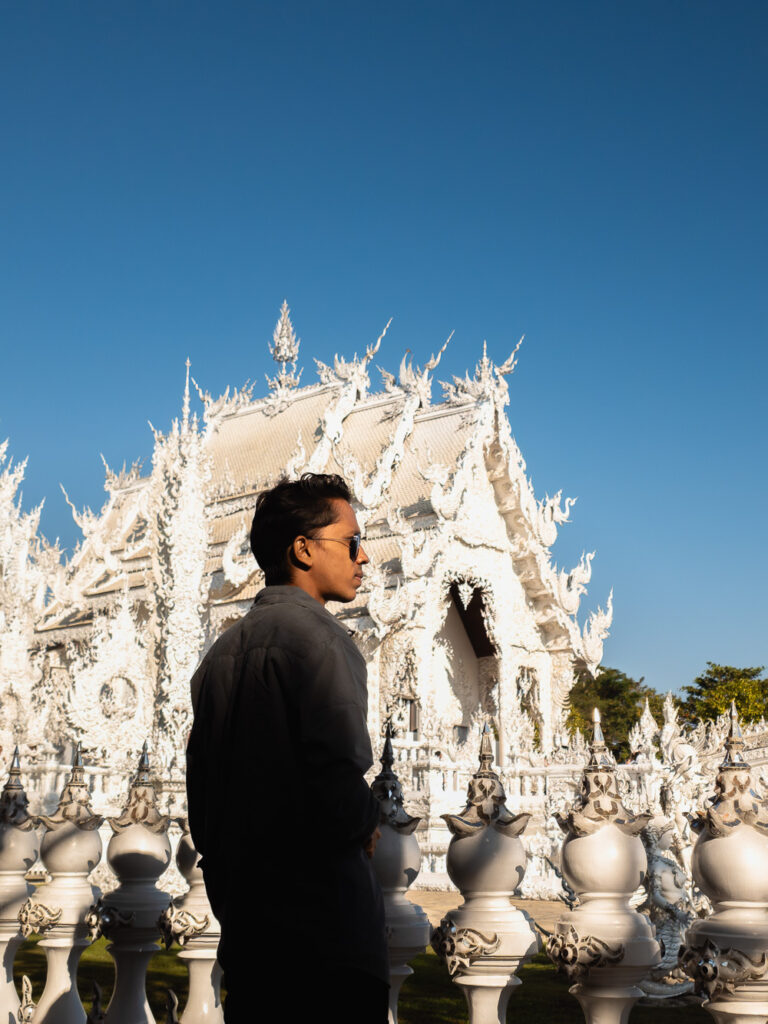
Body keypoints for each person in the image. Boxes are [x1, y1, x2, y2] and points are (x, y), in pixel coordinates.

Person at [186, 473, 388, 1022]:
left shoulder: (219, 657)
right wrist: (369, 818)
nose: (363, 556)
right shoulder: (323, 643)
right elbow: (339, 792)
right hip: (328, 940)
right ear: (303, 549)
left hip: (252, 938)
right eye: (350, 541)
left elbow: (203, 811)